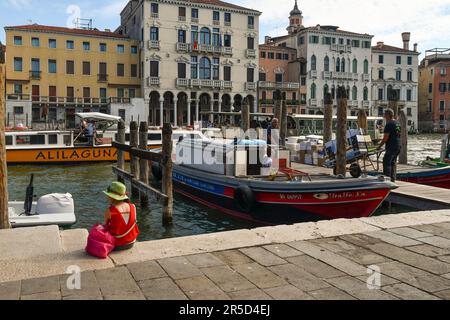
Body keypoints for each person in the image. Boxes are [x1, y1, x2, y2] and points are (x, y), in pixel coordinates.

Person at [103, 182, 140, 251]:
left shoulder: (109, 211)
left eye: (108, 195)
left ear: (111, 197)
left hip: (116, 244)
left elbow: (105, 227)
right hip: (131, 242)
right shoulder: (133, 206)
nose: (107, 197)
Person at [377, 109, 401, 181]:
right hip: (398, 146)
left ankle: (387, 180)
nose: (384, 115)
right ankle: (392, 179)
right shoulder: (397, 123)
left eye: (384, 114)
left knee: (386, 162)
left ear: (387, 115)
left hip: (391, 147)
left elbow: (385, 138)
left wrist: (379, 146)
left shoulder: (389, 124)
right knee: (393, 163)